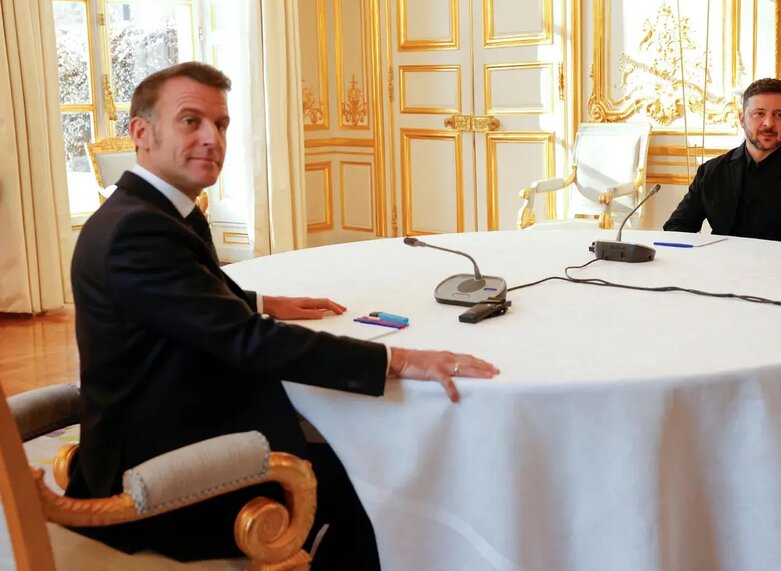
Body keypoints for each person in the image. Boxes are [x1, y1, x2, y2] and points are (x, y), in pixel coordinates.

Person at [68, 61, 499, 568]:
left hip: (163, 426)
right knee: (377, 484)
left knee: (355, 451)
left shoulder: (146, 210)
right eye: (191, 121)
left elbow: (183, 296)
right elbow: (250, 342)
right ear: (142, 133)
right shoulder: (138, 233)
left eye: (221, 124)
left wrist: (260, 302)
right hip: (160, 475)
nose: (212, 138)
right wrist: (400, 359)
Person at [662, 77, 781, 250]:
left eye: (779, 115)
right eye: (759, 113)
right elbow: (676, 226)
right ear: (742, 119)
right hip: (720, 265)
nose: (769, 123)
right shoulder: (711, 171)